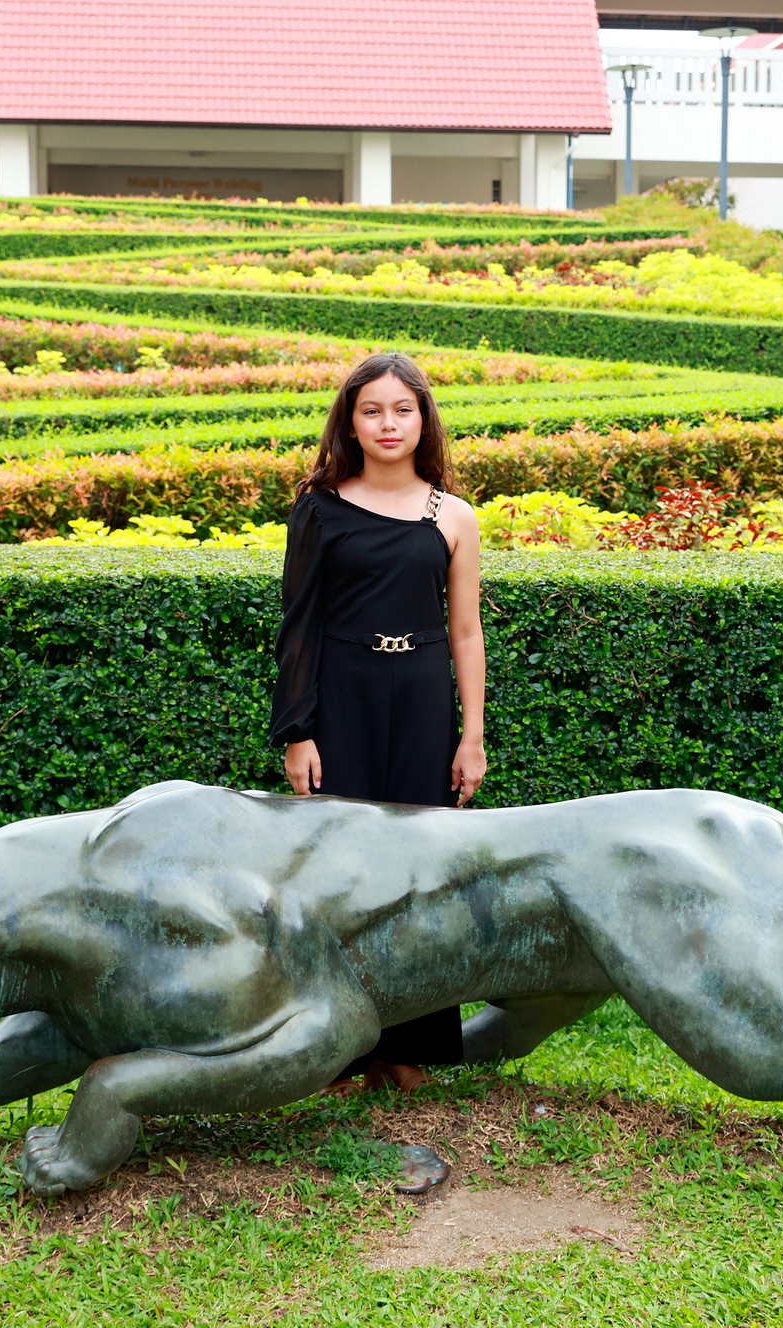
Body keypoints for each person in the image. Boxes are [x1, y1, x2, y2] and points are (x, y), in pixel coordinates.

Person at [268, 351, 488, 1093]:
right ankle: (334, 1050)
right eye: (372, 410)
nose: (388, 423)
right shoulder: (319, 507)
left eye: (402, 409)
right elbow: (298, 626)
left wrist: (471, 736)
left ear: (423, 419)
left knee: (422, 875)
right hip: (343, 698)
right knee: (336, 873)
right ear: (351, 423)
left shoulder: (453, 516)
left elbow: (466, 632)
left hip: (423, 700)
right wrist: (299, 732)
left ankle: (407, 1050)